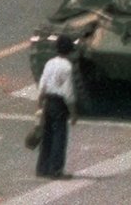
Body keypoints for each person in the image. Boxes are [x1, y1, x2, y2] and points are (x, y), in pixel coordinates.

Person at [35, 36, 78, 179]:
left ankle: (42, 168)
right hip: (59, 104)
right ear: (69, 51)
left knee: (47, 135)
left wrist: (40, 104)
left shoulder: (49, 63)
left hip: (48, 101)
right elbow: (68, 92)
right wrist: (73, 113)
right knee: (59, 136)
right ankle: (56, 170)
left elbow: (42, 84)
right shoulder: (67, 67)